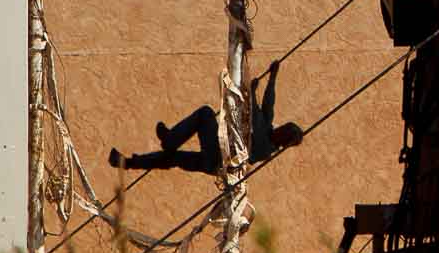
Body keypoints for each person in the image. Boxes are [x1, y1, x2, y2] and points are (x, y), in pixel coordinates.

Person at [110, 59, 303, 175]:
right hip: (214, 158)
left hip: (219, 156)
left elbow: (254, 117)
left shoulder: (265, 149)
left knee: (205, 114)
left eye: (283, 131)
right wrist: (273, 76)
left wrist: (251, 93)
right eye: (284, 126)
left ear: (283, 142)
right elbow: (269, 102)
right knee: (173, 158)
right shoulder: (268, 127)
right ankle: (127, 163)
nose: (280, 128)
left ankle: (170, 139)